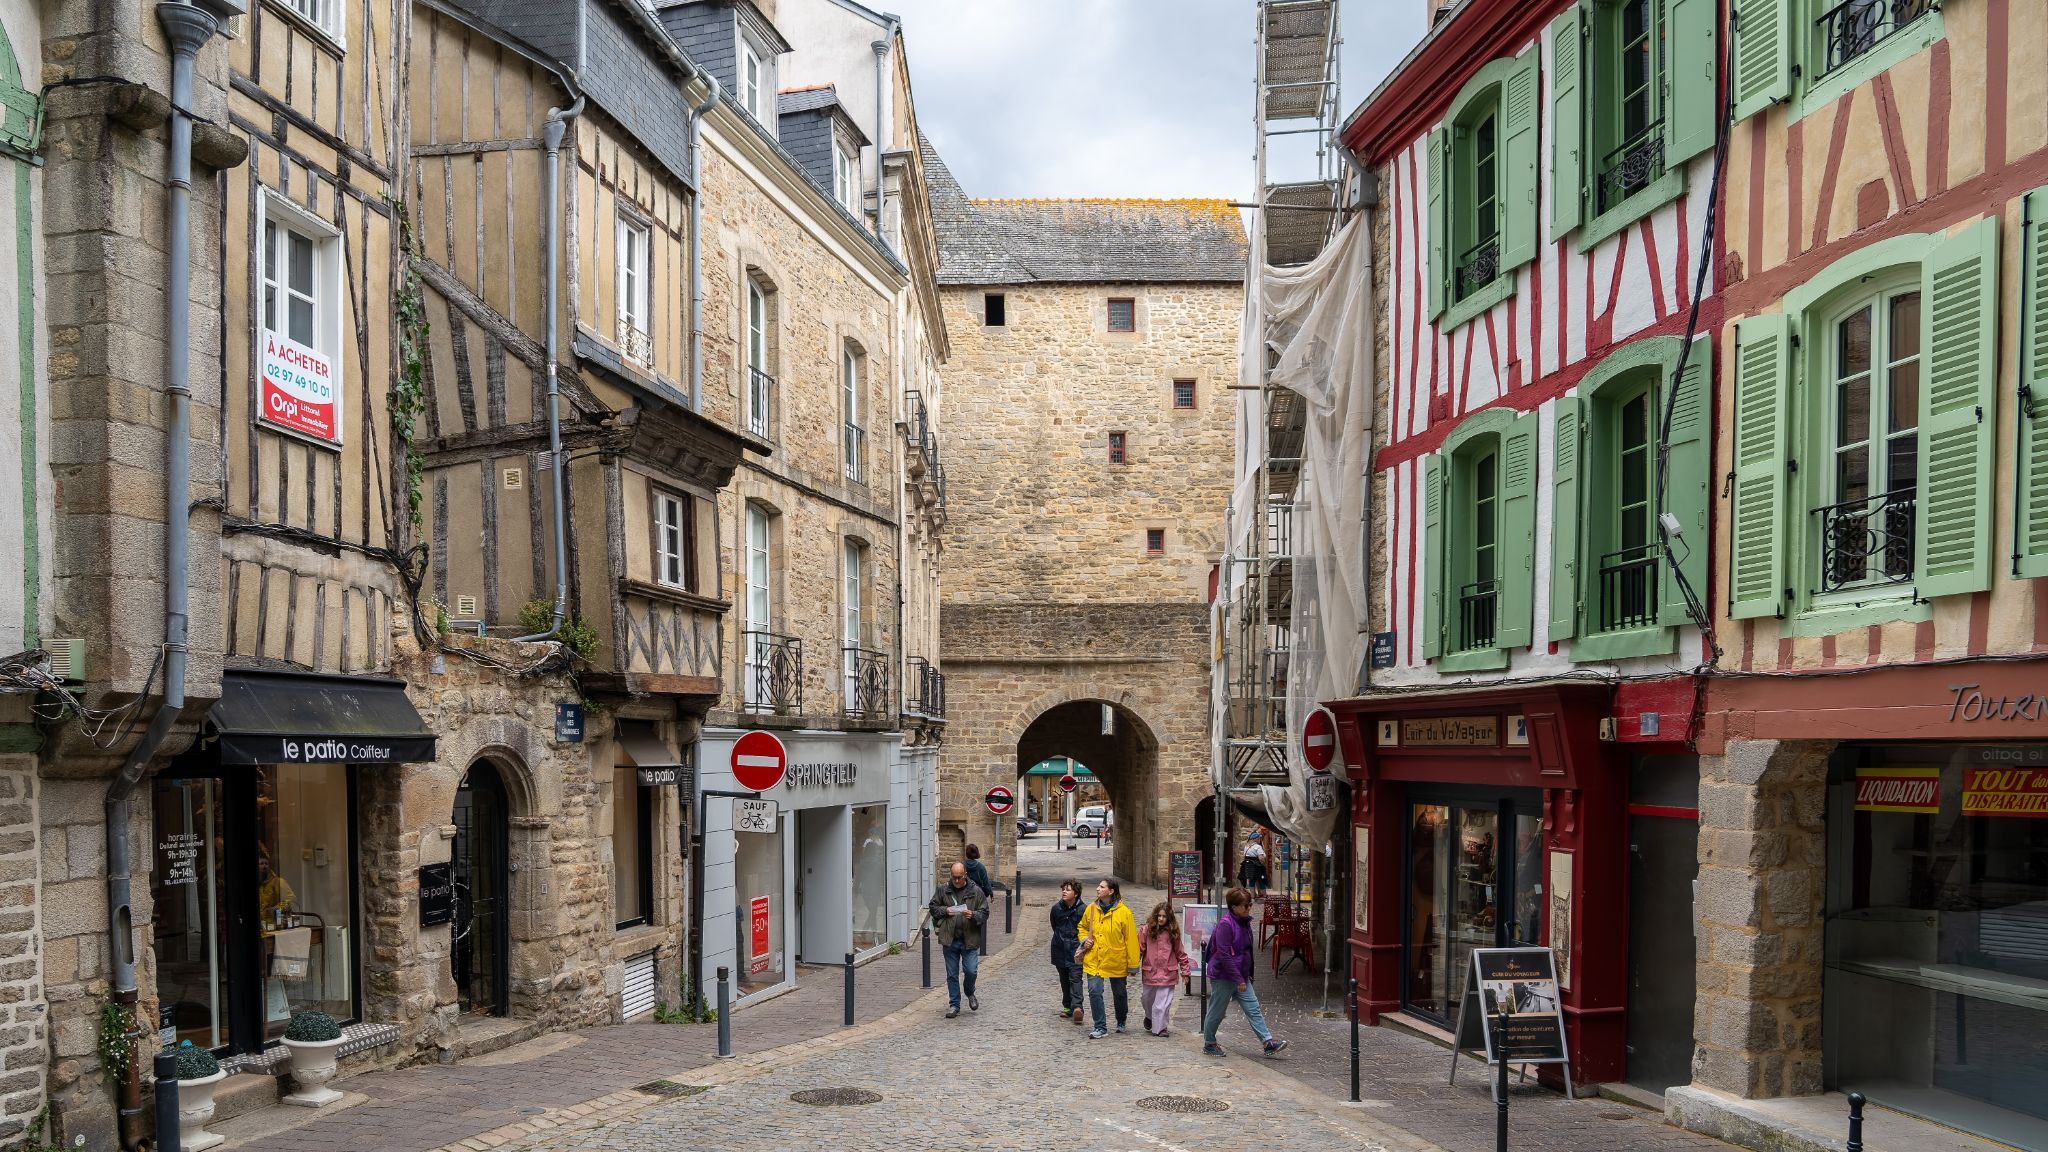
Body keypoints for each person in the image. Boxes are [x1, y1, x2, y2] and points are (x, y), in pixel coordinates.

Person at [1201, 887, 1288, 1058]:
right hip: (1224, 976)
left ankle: (1267, 1042)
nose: (1249, 908)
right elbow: (1224, 955)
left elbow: (1247, 951)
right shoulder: (1226, 925)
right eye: (1245, 905)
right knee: (1217, 1012)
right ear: (1234, 907)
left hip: (1241, 975)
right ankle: (1209, 1043)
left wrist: (1247, 975)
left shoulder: (1244, 922)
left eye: (1250, 904)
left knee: (1253, 1008)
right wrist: (1238, 979)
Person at [1076, 877, 1140, 1039]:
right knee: (1094, 991)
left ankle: (1121, 1019)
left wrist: (1133, 964)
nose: (1097, 889)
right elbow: (1082, 927)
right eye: (1098, 886)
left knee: (1119, 993)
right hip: (1095, 959)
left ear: (1111, 891)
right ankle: (1100, 1026)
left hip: (1115, 960)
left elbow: (1131, 939)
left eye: (1102, 887)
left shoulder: (1124, 913)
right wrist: (1084, 939)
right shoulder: (1091, 909)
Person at [927, 863, 989, 1018]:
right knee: (952, 974)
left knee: (971, 971)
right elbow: (933, 908)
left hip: (970, 939)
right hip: (950, 939)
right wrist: (945, 910)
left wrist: (973, 915)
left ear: (965, 875)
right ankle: (954, 1005)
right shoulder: (943, 890)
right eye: (954, 877)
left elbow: (985, 913)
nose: (956, 880)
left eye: (959, 877)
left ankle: (969, 991)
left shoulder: (976, 891)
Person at [1138, 901, 1191, 1037]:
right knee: (1146, 999)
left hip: (1168, 973)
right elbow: (1139, 949)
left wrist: (1185, 971)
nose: (1161, 919)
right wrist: (1131, 966)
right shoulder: (1146, 930)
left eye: (1164, 916)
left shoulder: (1173, 933)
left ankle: (1160, 1028)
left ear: (1169, 918)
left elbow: (1180, 952)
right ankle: (1149, 1016)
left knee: (1162, 1004)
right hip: (1150, 971)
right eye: (1159, 916)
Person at [1049, 879, 1087, 1023]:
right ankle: (1067, 1006)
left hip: (1076, 949)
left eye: (1068, 889)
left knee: (1075, 978)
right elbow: (1054, 925)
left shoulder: (1083, 910)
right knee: (1064, 979)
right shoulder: (1056, 909)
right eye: (1063, 889)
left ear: (1076, 894)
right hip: (1059, 948)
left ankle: (1077, 1008)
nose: (1064, 892)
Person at [1237, 830, 1269, 895]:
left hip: (1248, 866)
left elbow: (1245, 856)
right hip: (1257, 866)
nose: (1260, 839)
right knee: (1261, 880)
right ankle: (1264, 895)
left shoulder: (1246, 846)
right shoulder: (1257, 847)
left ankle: (1253, 895)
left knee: (1252, 880)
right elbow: (1261, 858)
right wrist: (1263, 863)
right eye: (1259, 838)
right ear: (1256, 839)